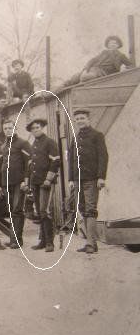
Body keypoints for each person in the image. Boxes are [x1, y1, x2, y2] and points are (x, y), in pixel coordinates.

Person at [68, 108, 109, 254]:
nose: (80, 121)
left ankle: (91, 243)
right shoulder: (76, 137)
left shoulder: (97, 135)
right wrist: (71, 179)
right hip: (78, 180)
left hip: (92, 179)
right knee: (83, 209)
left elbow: (103, 157)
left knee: (91, 210)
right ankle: (89, 242)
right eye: (77, 119)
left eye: (82, 118)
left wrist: (101, 177)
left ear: (88, 119)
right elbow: (71, 160)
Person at [27, 118, 60, 252]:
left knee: (44, 211)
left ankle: (50, 243)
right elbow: (31, 165)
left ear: (43, 128)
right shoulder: (34, 143)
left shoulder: (50, 142)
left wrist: (48, 178)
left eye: (38, 127)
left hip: (45, 182)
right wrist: (29, 181)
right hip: (35, 182)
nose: (35, 130)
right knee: (39, 211)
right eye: (33, 128)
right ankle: (43, 241)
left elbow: (56, 162)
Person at [0, 119, 31, 248]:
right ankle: (13, 239)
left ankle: (17, 240)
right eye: (5, 128)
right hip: (6, 183)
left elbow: (29, 164)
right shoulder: (2, 147)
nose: (8, 130)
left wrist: (26, 181)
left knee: (17, 209)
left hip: (19, 182)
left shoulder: (23, 143)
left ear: (15, 129)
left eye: (10, 128)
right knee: (11, 210)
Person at [62, 36, 133, 88]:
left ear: (118, 45)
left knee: (85, 77)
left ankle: (79, 87)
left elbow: (130, 65)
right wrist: (86, 68)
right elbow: (92, 60)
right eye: (111, 43)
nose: (113, 45)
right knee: (75, 77)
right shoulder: (104, 53)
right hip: (94, 69)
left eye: (115, 43)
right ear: (108, 45)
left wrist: (125, 70)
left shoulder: (121, 56)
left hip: (104, 73)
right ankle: (61, 88)